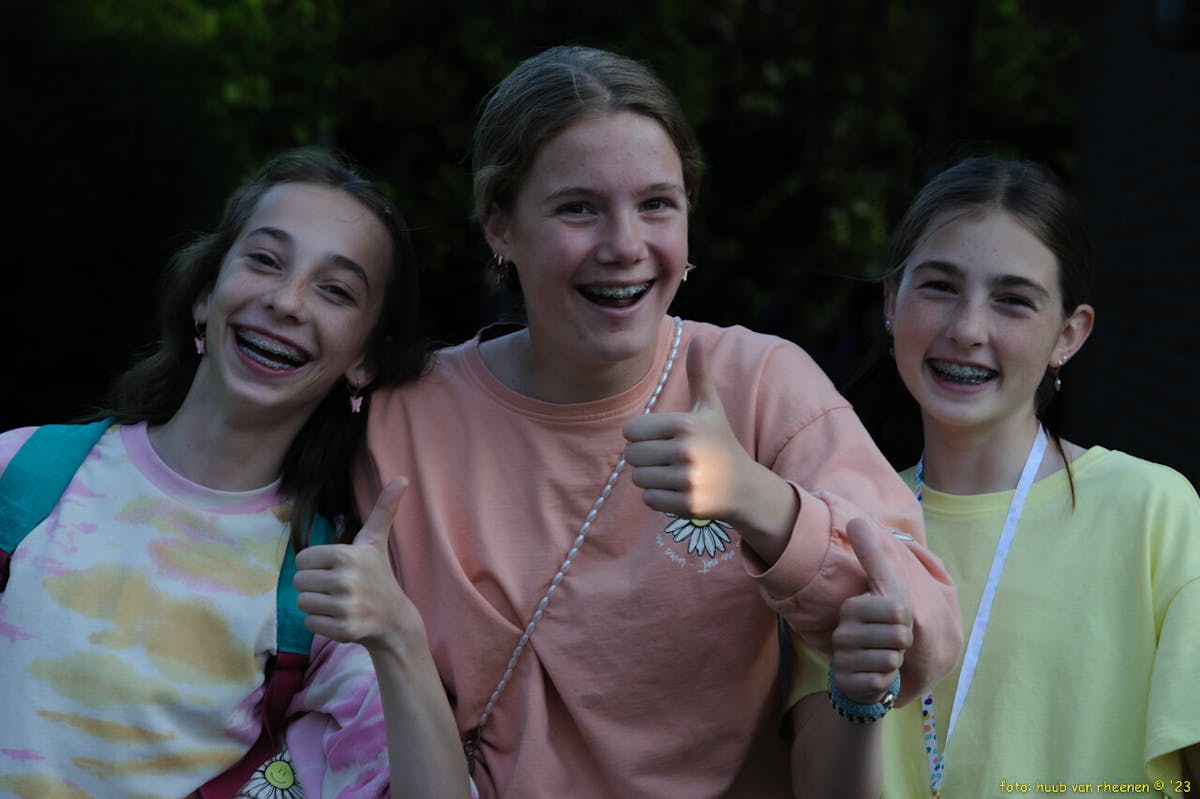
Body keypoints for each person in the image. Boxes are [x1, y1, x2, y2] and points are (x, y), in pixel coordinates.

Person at [356, 45, 963, 798]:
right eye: (578, 207)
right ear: (499, 226)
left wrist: (760, 501)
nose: (625, 246)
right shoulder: (403, 416)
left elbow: (926, 631)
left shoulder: (759, 382)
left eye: (656, 205)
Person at [0, 149, 469, 798]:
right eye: (265, 260)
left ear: (363, 360)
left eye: (336, 290)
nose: (286, 301)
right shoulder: (19, 469)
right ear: (204, 295)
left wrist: (397, 635)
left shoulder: (324, 585)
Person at [794, 155, 1200, 796]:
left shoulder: (1156, 512)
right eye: (939, 287)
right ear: (891, 303)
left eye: (1013, 301)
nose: (967, 329)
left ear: (1069, 335)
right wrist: (855, 693)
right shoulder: (837, 528)